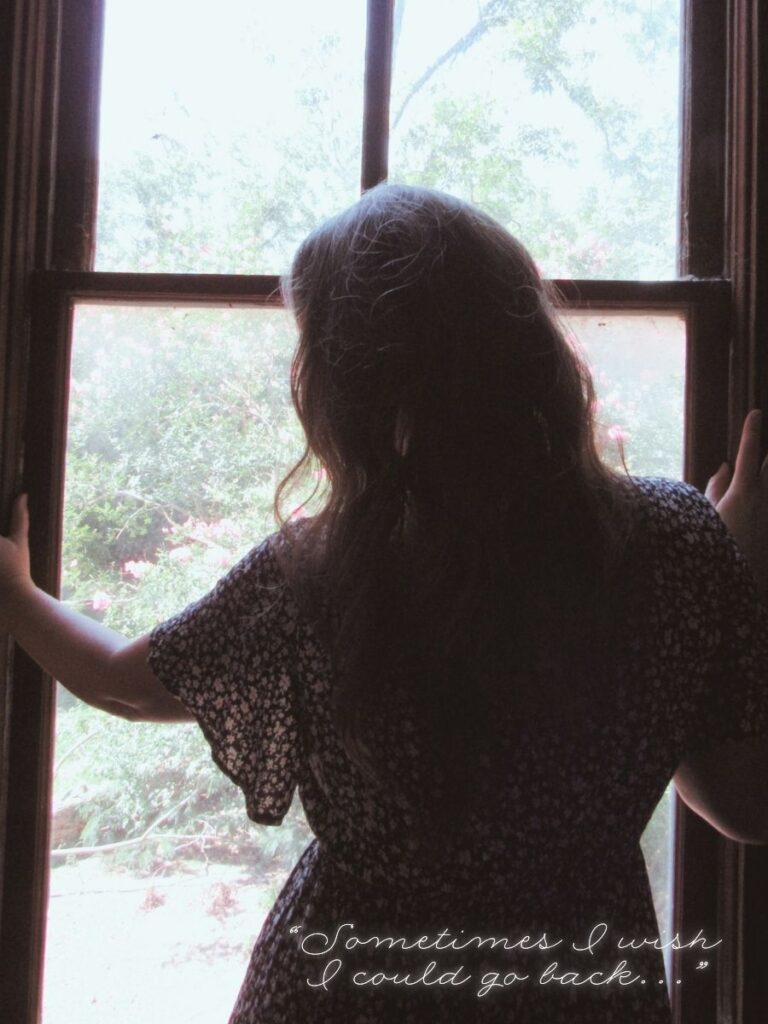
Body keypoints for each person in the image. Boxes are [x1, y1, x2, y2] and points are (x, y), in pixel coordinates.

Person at [2, 183, 768, 1023]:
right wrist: (722, 567)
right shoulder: (675, 542)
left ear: (350, 386)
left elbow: (120, 681)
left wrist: (12, 592)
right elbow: (738, 804)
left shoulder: (328, 571)